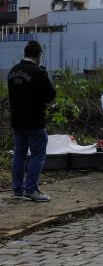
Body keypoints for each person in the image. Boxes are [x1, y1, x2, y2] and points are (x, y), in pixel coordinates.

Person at [8, 40, 56, 202]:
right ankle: (32, 190)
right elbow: (50, 95)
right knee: (37, 155)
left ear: (25, 53)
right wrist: (45, 76)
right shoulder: (38, 72)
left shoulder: (12, 71)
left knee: (19, 155)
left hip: (17, 120)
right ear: (39, 55)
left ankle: (17, 189)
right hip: (34, 121)